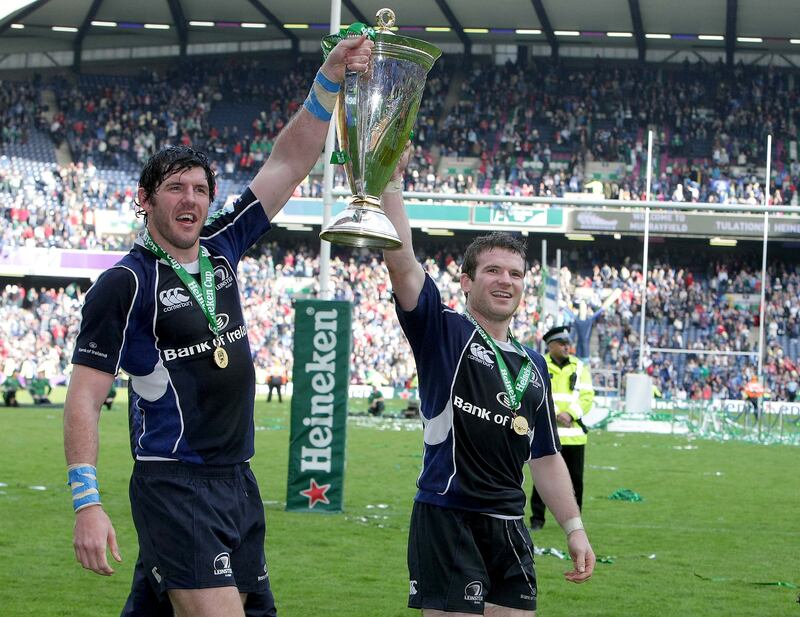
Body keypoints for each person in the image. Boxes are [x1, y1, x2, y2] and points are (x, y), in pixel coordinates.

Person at [62, 35, 373, 617]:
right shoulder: (125, 284)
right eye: (175, 187)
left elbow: (289, 163)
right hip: (175, 483)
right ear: (145, 201)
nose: (191, 199)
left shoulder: (223, 248)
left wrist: (328, 76)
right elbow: (84, 396)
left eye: (201, 189)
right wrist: (87, 502)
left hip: (237, 480)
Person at [382, 148, 594, 616]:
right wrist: (392, 187)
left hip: (509, 524)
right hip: (448, 514)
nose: (505, 281)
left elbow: (545, 455)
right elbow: (402, 263)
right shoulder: (444, 332)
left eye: (516, 274)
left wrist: (574, 527)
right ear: (465, 280)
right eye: (493, 270)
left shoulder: (533, 364)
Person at [530, 325, 594, 531]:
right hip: (548, 433)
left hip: (574, 436)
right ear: (551, 346)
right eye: (562, 344)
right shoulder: (539, 364)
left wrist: (570, 414)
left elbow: (587, 396)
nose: (567, 347)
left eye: (569, 344)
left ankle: (575, 523)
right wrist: (555, 413)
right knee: (542, 481)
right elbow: (537, 391)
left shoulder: (579, 366)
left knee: (576, 482)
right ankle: (537, 520)